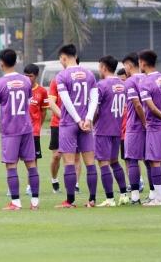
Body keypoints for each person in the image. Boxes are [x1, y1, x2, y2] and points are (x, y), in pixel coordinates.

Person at [0, 49, 40, 210]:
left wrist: (5, 122)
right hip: (26, 128)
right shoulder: (26, 82)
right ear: (16, 62)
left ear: (1, 63)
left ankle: (16, 202)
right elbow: (28, 104)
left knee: (11, 165)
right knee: (31, 164)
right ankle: (35, 202)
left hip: (10, 130)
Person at [54, 44, 99, 209]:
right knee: (90, 162)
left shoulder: (61, 75)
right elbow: (94, 100)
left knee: (69, 163)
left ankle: (70, 201)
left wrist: (78, 120)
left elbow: (66, 100)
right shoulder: (89, 74)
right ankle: (92, 200)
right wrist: (87, 119)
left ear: (63, 57)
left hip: (68, 123)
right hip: (86, 124)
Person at [138, 49, 161, 206]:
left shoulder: (144, 83)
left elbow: (152, 108)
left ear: (143, 63)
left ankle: (158, 199)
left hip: (155, 126)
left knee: (154, 162)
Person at [94, 55, 129, 207]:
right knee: (114, 162)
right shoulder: (123, 84)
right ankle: (124, 195)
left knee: (103, 163)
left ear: (103, 67)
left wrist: (91, 123)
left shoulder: (101, 85)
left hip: (103, 129)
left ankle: (109, 199)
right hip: (117, 129)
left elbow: (95, 109)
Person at [48, 76, 82, 195]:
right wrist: (64, 117)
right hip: (58, 123)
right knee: (57, 155)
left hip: (77, 123)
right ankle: (54, 181)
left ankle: (75, 185)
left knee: (76, 156)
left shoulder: (81, 80)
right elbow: (51, 103)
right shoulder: (56, 80)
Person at [123, 52, 147, 205]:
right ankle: (155, 194)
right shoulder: (146, 78)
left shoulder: (130, 81)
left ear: (129, 65)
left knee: (132, 160)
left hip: (135, 126)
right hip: (150, 125)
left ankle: (136, 196)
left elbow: (137, 104)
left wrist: (144, 122)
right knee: (151, 160)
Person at [22, 64, 48, 197]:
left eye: (30, 76)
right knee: (13, 158)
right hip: (19, 130)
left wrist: (38, 125)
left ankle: (30, 186)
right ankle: (11, 188)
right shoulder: (19, 89)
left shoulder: (42, 91)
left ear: (36, 76)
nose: (27, 79)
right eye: (25, 76)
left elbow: (44, 111)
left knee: (33, 159)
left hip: (33, 132)